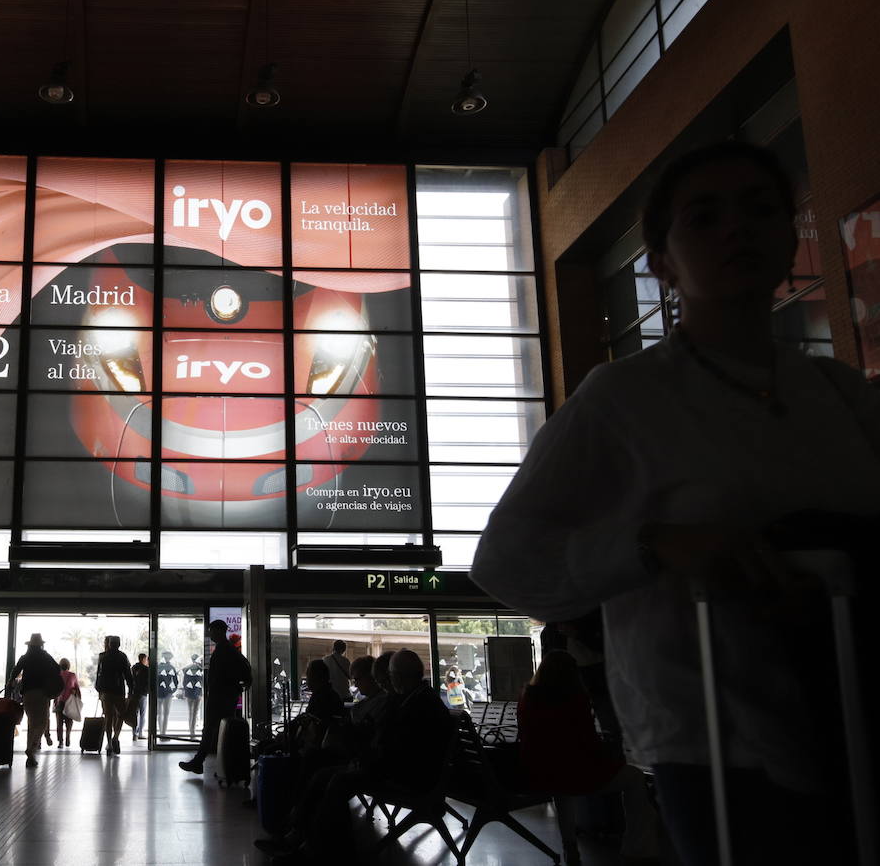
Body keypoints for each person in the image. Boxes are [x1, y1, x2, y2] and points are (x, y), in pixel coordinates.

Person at [471, 140, 880, 866]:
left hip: (855, 717)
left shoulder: (843, 396)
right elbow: (508, 559)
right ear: (661, 261)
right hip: (716, 741)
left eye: (761, 211)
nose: (738, 229)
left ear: (793, 237)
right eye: (704, 216)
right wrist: (653, 545)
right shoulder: (623, 399)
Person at [259, 649, 454, 863]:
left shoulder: (415, 704)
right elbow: (396, 747)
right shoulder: (419, 700)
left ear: (398, 676)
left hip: (410, 778)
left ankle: (317, 847)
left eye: (389, 677)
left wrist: (361, 751)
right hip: (405, 771)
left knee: (336, 779)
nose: (386, 683)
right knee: (328, 776)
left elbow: (395, 750)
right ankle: (306, 839)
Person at [519, 651, 658, 864]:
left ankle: (570, 847)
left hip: (542, 773)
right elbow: (586, 744)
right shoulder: (574, 699)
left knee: (562, 789)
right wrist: (612, 758)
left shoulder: (527, 698)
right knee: (635, 777)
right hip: (576, 774)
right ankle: (637, 848)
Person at [178, 619, 251, 774]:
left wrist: (235, 685)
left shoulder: (225, 649)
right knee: (218, 729)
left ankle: (201, 762)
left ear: (218, 631)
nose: (209, 633)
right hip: (223, 695)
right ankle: (223, 763)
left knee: (211, 728)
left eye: (211, 630)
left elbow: (236, 670)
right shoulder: (226, 648)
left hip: (221, 696)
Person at [10, 632, 61, 768]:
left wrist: (11, 682)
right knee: (42, 723)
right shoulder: (45, 656)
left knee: (32, 722)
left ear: (30, 645)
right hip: (41, 693)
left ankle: (31, 755)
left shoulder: (25, 657)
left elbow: (14, 671)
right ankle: (31, 748)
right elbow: (57, 669)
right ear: (41, 645)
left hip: (27, 694)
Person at [94, 635, 133, 755]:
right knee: (121, 715)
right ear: (119, 644)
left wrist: (98, 688)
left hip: (105, 691)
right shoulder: (122, 656)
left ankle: (109, 743)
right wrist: (131, 688)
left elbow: (98, 674)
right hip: (118, 690)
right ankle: (115, 737)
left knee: (108, 717)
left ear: (109, 644)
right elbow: (127, 674)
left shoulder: (102, 656)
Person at [53, 657, 81, 747]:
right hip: (69, 702)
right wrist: (79, 700)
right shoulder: (72, 675)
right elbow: (77, 689)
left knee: (59, 724)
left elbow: (54, 690)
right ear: (68, 665)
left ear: (60, 666)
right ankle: (68, 736)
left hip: (59, 701)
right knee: (69, 722)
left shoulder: (57, 675)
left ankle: (60, 742)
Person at [156, 650, 179, 737]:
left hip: (158, 693)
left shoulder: (158, 667)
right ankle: (163, 733)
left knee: (159, 714)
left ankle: (161, 732)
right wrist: (172, 691)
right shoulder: (171, 667)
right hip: (167, 694)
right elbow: (176, 681)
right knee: (165, 714)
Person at [130, 652, 150, 740]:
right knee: (142, 714)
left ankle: (134, 733)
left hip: (134, 694)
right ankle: (140, 733)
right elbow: (148, 682)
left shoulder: (133, 668)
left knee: (135, 714)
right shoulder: (146, 669)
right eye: (146, 659)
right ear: (143, 659)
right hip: (142, 694)